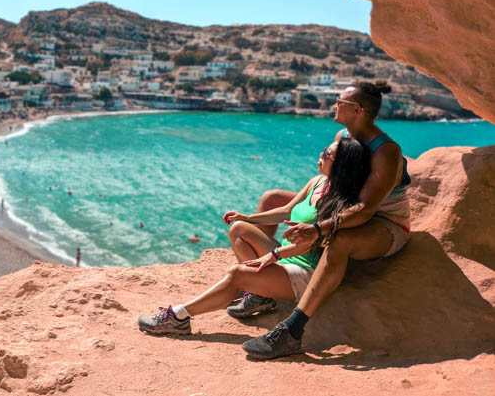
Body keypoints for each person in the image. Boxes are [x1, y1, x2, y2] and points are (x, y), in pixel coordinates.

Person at [241, 81, 411, 359]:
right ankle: (265, 284)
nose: (334, 105)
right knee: (272, 198)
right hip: (341, 208)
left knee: (340, 240)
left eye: (339, 102)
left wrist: (319, 228)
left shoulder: (385, 152)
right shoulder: (342, 134)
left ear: (357, 109)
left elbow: (366, 210)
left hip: (385, 224)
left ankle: (291, 332)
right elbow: (331, 180)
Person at [137, 137, 371, 339]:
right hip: (284, 259)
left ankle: (179, 316)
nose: (320, 155)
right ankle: (260, 296)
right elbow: (287, 211)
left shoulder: (343, 202)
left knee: (236, 274)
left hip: (305, 273)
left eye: (327, 154)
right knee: (239, 228)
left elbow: (311, 246)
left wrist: (273, 255)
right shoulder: (317, 182)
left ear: (341, 164)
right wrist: (249, 217)